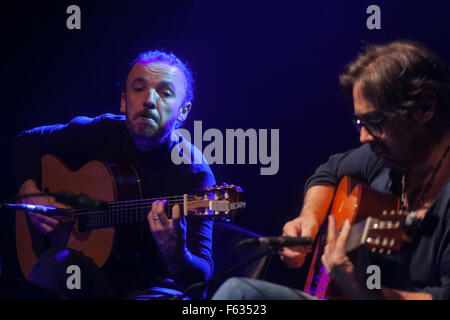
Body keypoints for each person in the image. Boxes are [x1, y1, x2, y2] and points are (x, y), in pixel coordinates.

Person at [212, 40, 450, 300]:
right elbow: (329, 171)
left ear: (425, 108)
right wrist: (310, 221)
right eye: (360, 123)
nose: (364, 138)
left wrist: (362, 289)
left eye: (375, 122)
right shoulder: (389, 156)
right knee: (239, 294)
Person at [12, 50, 216, 299]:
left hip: (146, 289)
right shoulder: (101, 131)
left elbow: (202, 278)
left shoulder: (194, 174)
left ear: (183, 112)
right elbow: (26, 142)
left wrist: (178, 255)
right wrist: (30, 189)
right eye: (139, 88)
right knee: (54, 265)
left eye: (165, 93)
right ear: (123, 102)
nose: (149, 100)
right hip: (90, 277)